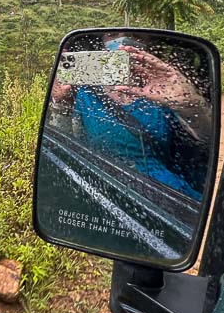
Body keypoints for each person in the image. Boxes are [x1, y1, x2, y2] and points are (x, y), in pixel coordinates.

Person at [50, 42, 210, 200]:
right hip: (105, 186)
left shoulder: (160, 93)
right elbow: (73, 143)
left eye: (134, 36)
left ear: (145, 48)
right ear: (103, 48)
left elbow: (206, 139)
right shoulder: (87, 94)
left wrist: (191, 103)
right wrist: (60, 104)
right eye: (113, 36)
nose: (122, 42)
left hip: (167, 192)